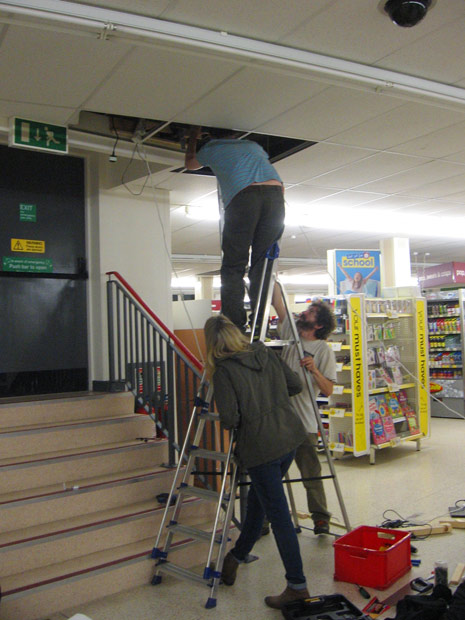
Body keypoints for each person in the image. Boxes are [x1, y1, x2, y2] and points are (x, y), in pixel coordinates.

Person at [204, 314, 310, 609]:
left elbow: (229, 418)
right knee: (259, 506)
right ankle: (236, 557)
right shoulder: (264, 352)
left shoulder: (223, 372)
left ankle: (297, 585)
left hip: (260, 449)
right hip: (289, 437)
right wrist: (270, 397)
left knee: (279, 518)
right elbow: (295, 385)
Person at [186, 126, 285, 331]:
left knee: (234, 265)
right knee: (263, 263)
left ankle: (235, 325)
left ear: (211, 135)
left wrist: (193, 140)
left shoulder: (212, 148)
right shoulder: (253, 145)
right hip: (275, 197)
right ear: (236, 134)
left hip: (244, 198)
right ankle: (260, 322)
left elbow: (191, 164)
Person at [271, 285, 337, 535]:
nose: (305, 313)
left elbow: (328, 390)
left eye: (310, 312)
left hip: (305, 422)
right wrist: (275, 276)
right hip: (280, 420)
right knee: (272, 473)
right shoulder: (291, 330)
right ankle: (266, 517)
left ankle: (321, 518)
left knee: (311, 473)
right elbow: (278, 302)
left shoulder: (323, 351)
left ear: (318, 325)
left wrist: (314, 370)